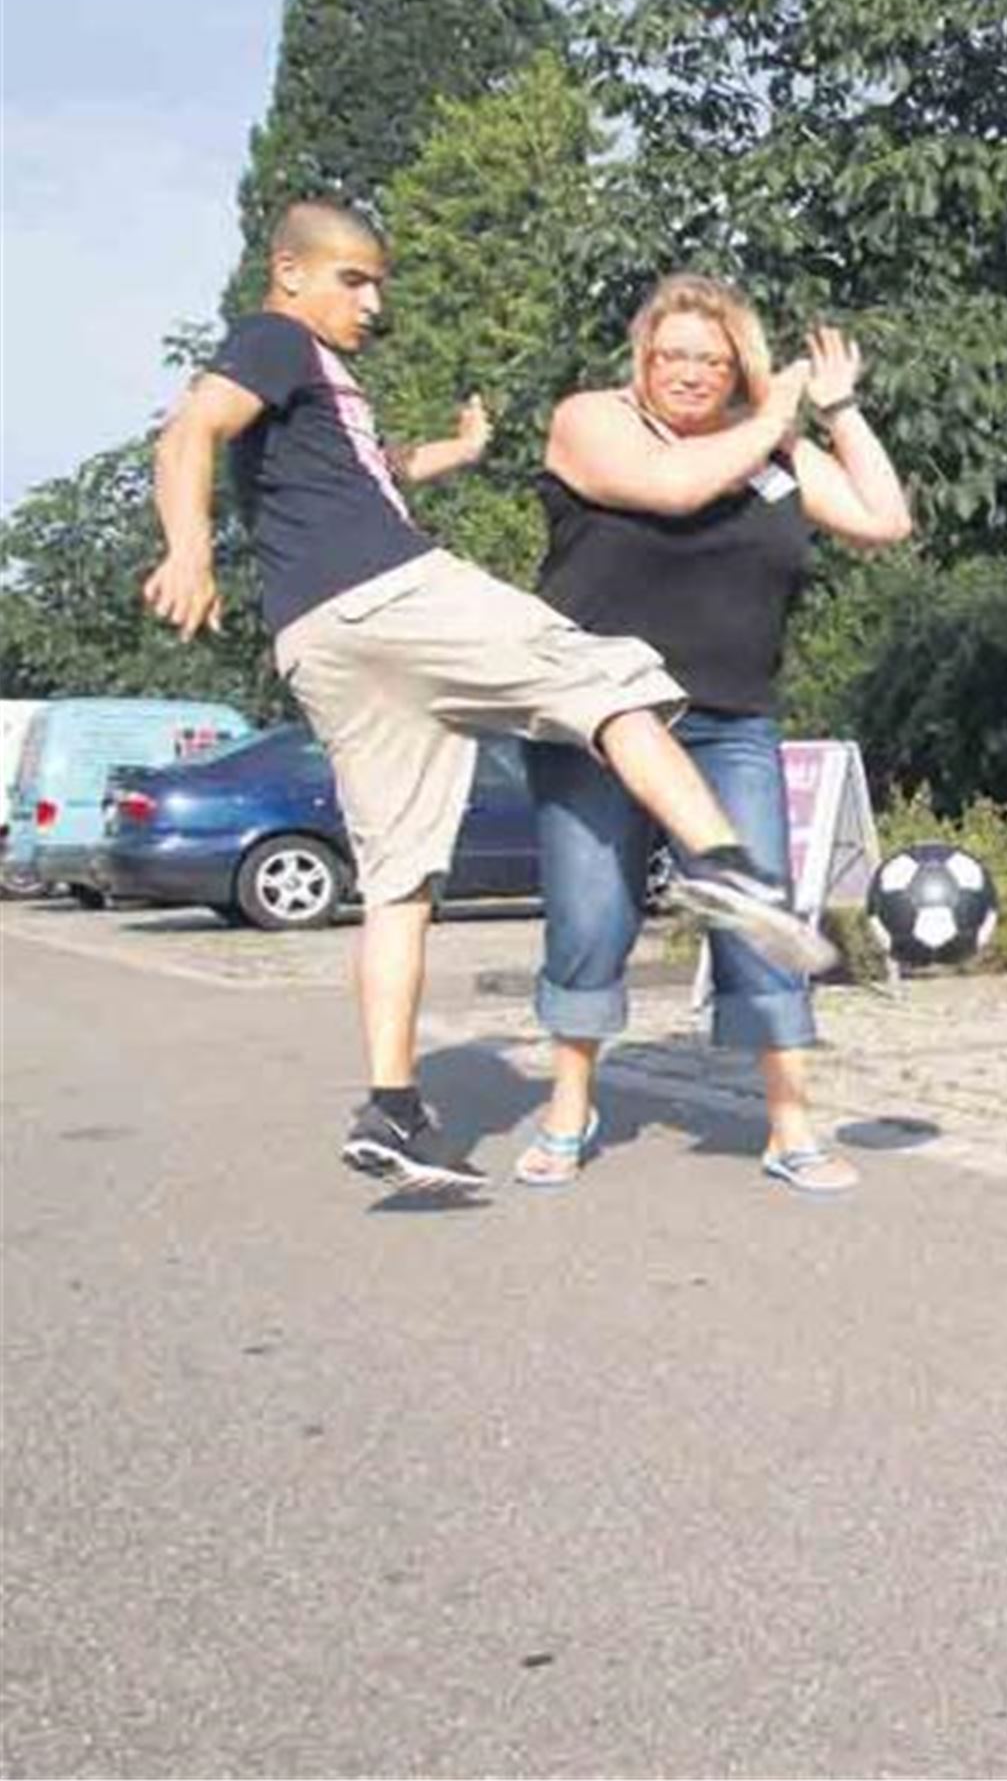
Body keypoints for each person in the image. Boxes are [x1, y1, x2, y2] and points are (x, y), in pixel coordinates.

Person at [144, 204, 836, 1190]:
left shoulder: (320, 389)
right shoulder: (274, 338)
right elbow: (189, 433)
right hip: (392, 593)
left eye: (379, 283)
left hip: (315, 637)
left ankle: (390, 1109)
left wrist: (454, 454)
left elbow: (371, 474)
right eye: (353, 281)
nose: (373, 305)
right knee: (613, 676)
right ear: (288, 271)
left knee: (397, 880)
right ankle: (724, 868)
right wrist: (187, 547)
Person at [514, 273, 912, 1193]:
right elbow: (673, 487)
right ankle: (570, 1104)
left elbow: (884, 520)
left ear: (740, 364)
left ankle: (790, 1125)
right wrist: (774, 413)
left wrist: (840, 412)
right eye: (673, 355)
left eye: (712, 357)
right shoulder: (593, 419)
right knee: (591, 914)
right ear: (643, 359)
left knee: (760, 908)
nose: (691, 372)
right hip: (595, 719)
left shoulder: (776, 456)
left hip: (730, 720)